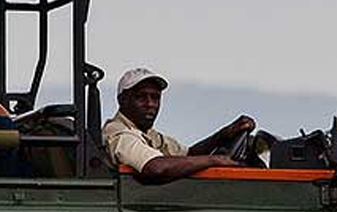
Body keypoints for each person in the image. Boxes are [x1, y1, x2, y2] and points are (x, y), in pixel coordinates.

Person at [103, 67, 255, 183]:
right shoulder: (120, 135)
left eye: (155, 98)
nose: (150, 104)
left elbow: (188, 155)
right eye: (141, 97)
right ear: (123, 100)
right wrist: (216, 160)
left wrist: (223, 135)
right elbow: (156, 168)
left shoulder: (146, 133)